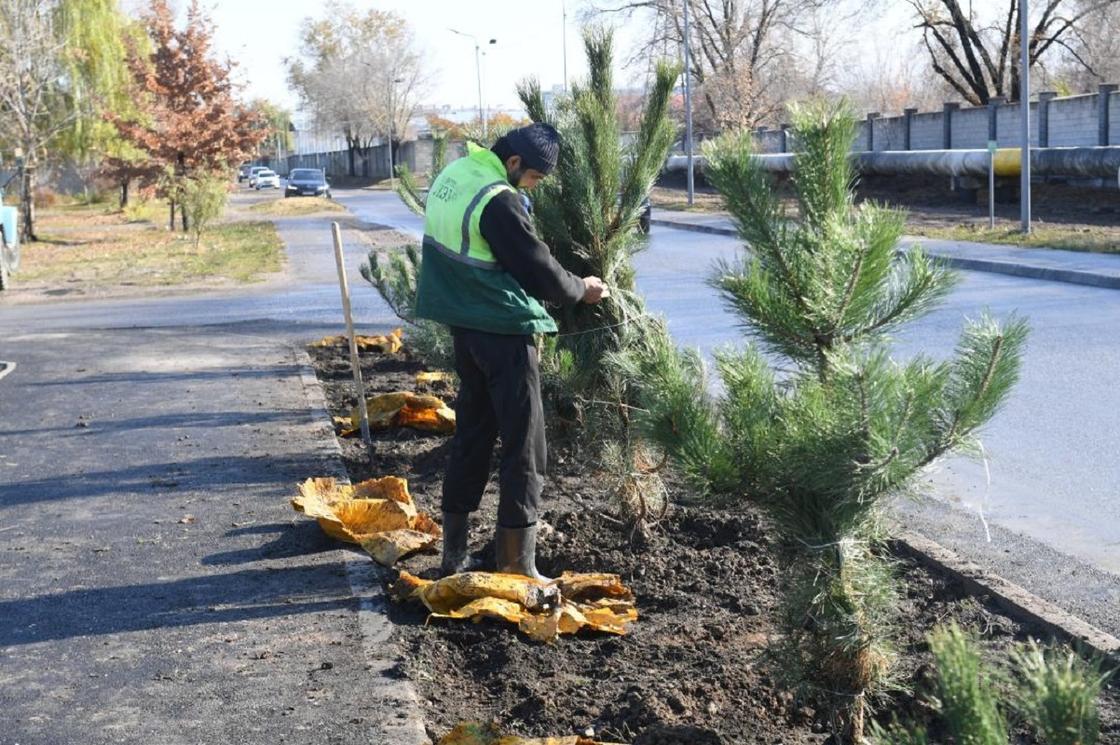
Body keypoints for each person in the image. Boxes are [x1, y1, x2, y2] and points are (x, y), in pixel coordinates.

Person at [414, 123, 607, 580]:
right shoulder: (498, 197)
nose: (532, 186)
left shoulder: (457, 173)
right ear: (515, 161)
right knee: (525, 445)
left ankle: (454, 556)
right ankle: (517, 565)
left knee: (473, 435)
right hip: (502, 329)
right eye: (535, 178)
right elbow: (537, 268)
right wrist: (583, 289)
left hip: (465, 326)